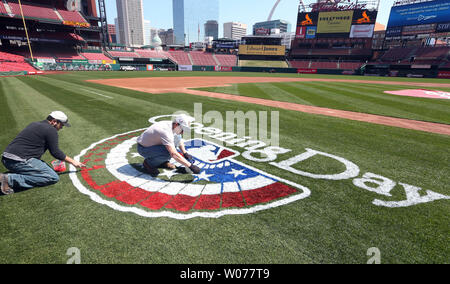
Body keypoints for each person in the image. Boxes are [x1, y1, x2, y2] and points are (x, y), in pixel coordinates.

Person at [0, 111, 86, 195]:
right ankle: (8, 179)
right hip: (19, 160)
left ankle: (11, 175)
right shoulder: (51, 130)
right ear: (54, 122)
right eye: (61, 125)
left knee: (43, 166)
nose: (61, 127)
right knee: (52, 177)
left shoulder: (34, 124)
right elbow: (56, 152)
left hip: (6, 159)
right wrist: (74, 162)